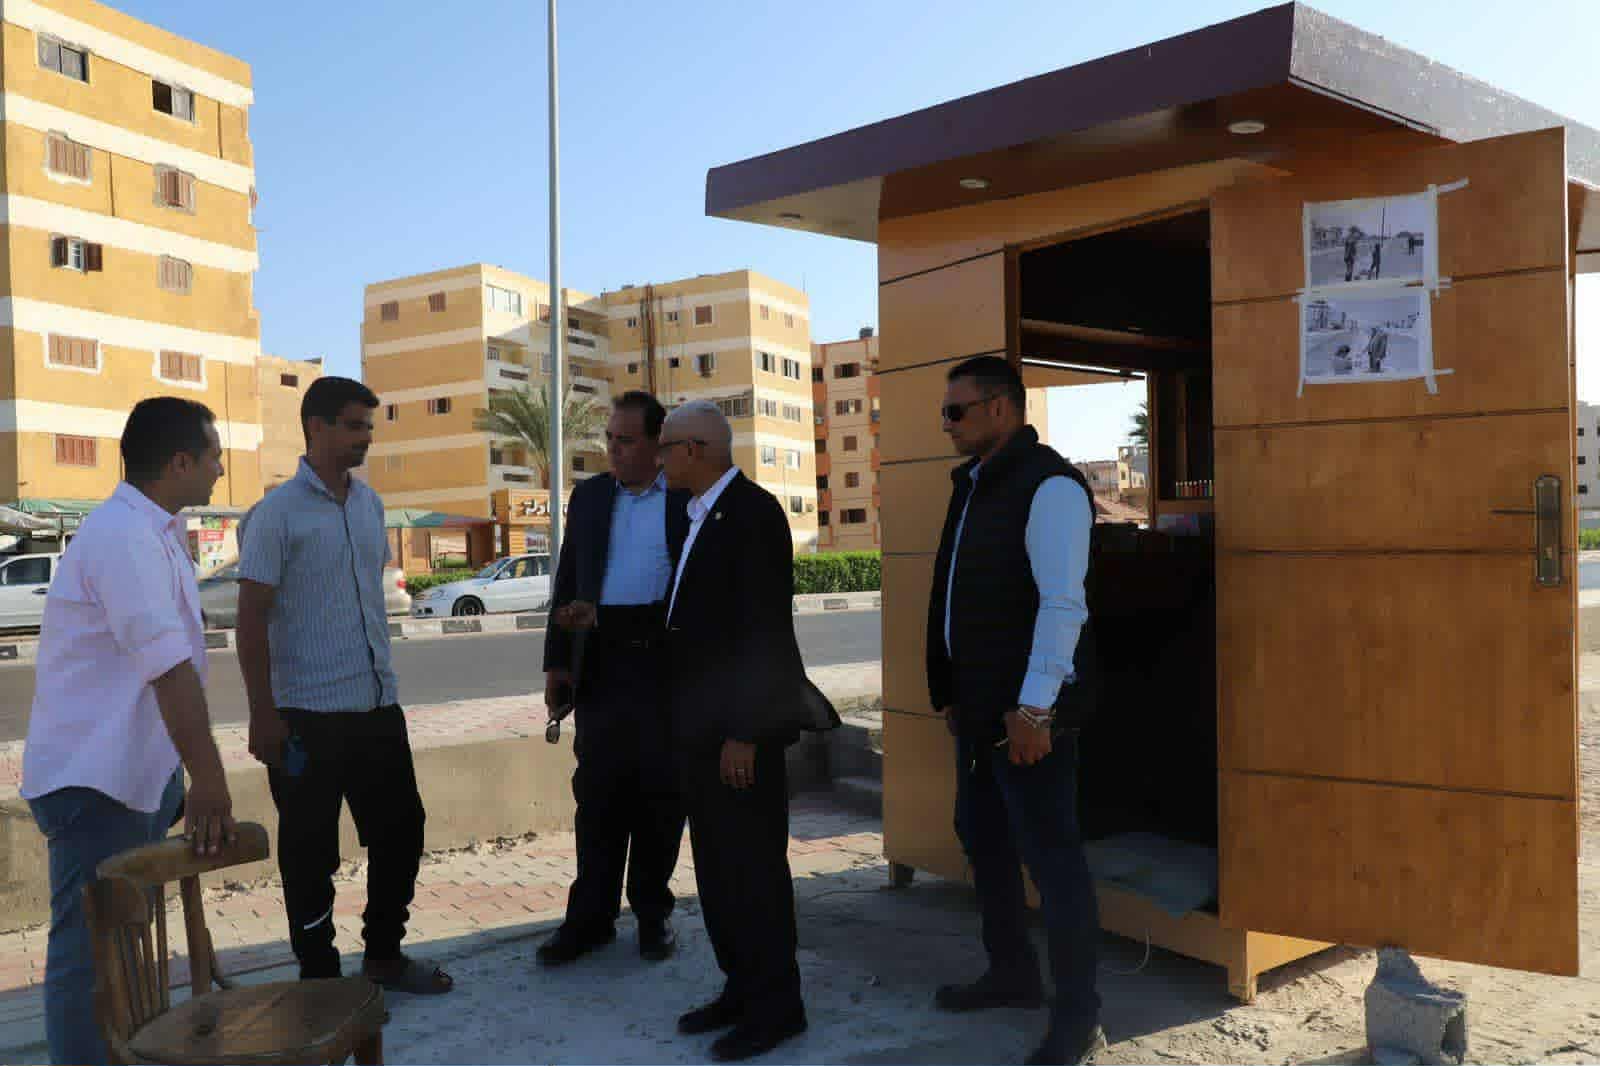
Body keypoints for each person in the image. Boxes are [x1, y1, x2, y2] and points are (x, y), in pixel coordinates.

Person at [22, 396, 238, 1065]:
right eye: (213, 456)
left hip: (128, 780)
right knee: (92, 956)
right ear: (179, 462)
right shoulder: (123, 538)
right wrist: (209, 781)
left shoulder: (154, 533)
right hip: (96, 784)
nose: (221, 467)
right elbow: (169, 669)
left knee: (120, 951)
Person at [236, 376, 453, 995]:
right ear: (317, 427)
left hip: (377, 708)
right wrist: (262, 714)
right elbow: (250, 620)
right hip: (305, 718)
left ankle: (384, 955)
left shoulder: (370, 505)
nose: (366, 438)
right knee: (310, 854)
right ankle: (320, 980)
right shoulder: (276, 515)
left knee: (401, 832)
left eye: (369, 428)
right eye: (355, 426)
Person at [926, 356, 1105, 1066]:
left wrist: (1034, 710)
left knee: (1053, 863)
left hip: (1027, 717)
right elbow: (953, 592)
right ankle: (1012, 973)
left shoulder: (1049, 485)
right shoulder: (975, 483)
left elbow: (1063, 604)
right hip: (978, 711)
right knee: (982, 836)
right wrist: (949, 690)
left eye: (956, 411)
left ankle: (1078, 1018)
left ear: (1000, 408)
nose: (946, 423)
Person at [657, 400, 838, 1063]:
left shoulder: (753, 515)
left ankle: (777, 1007)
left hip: (740, 734)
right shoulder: (695, 514)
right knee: (717, 871)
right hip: (700, 730)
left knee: (753, 871)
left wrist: (746, 732)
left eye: (665, 447)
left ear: (695, 450)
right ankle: (741, 988)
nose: (659, 460)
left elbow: (763, 633)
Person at [537, 391, 690, 967]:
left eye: (626, 440)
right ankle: (590, 919)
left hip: (664, 673)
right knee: (597, 798)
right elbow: (569, 580)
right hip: (601, 669)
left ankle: (652, 913)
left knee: (660, 798)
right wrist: (557, 665)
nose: (614, 450)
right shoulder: (592, 496)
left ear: (657, 444)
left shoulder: (684, 499)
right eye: (610, 439)